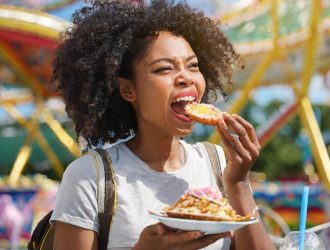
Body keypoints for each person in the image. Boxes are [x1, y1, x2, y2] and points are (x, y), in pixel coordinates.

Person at [50, 0, 276, 249]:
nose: (186, 78)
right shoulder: (89, 177)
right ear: (127, 89)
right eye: (164, 69)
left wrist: (239, 184)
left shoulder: (217, 164)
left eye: (193, 66)